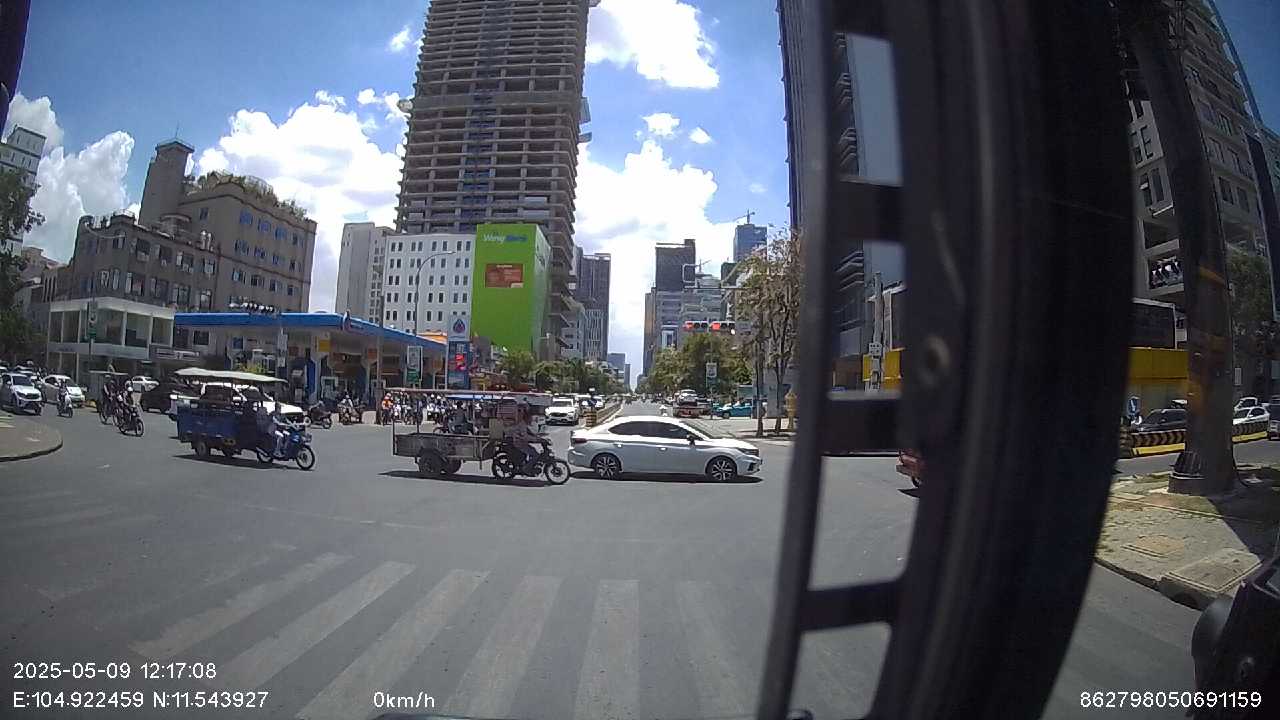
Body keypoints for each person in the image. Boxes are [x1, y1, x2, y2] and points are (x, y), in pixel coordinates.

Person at [509, 401, 542, 475]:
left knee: (533, 451)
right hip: (519, 443)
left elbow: (529, 433)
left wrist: (537, 437)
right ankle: (526, 468)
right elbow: (525, 436)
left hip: (522, 442)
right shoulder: (522, 424)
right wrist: (535, 439)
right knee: (535, 455)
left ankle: (528, 464)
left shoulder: (523, 423)